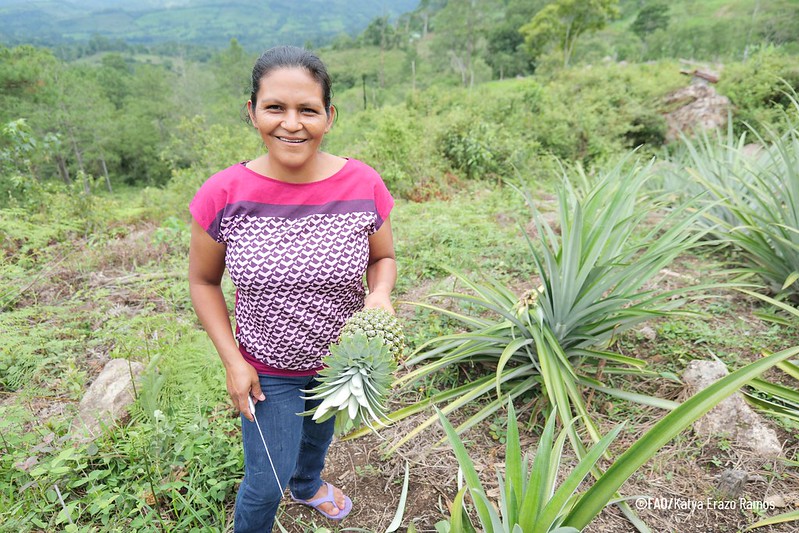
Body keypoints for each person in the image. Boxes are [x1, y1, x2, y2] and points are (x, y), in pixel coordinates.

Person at [188, 45, 396, 532]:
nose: (292, 123)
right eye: (275, 107)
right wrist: (232, 361)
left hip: (339, 362)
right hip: (266, 371)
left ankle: (307, 485)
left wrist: (380, 294)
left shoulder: (362, 183)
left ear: (329, 116)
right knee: (264, 483)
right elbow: (202, 281)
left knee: (317, 439)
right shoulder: (223, 193)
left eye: (308, 109)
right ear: (252, 112)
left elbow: (382, 258)